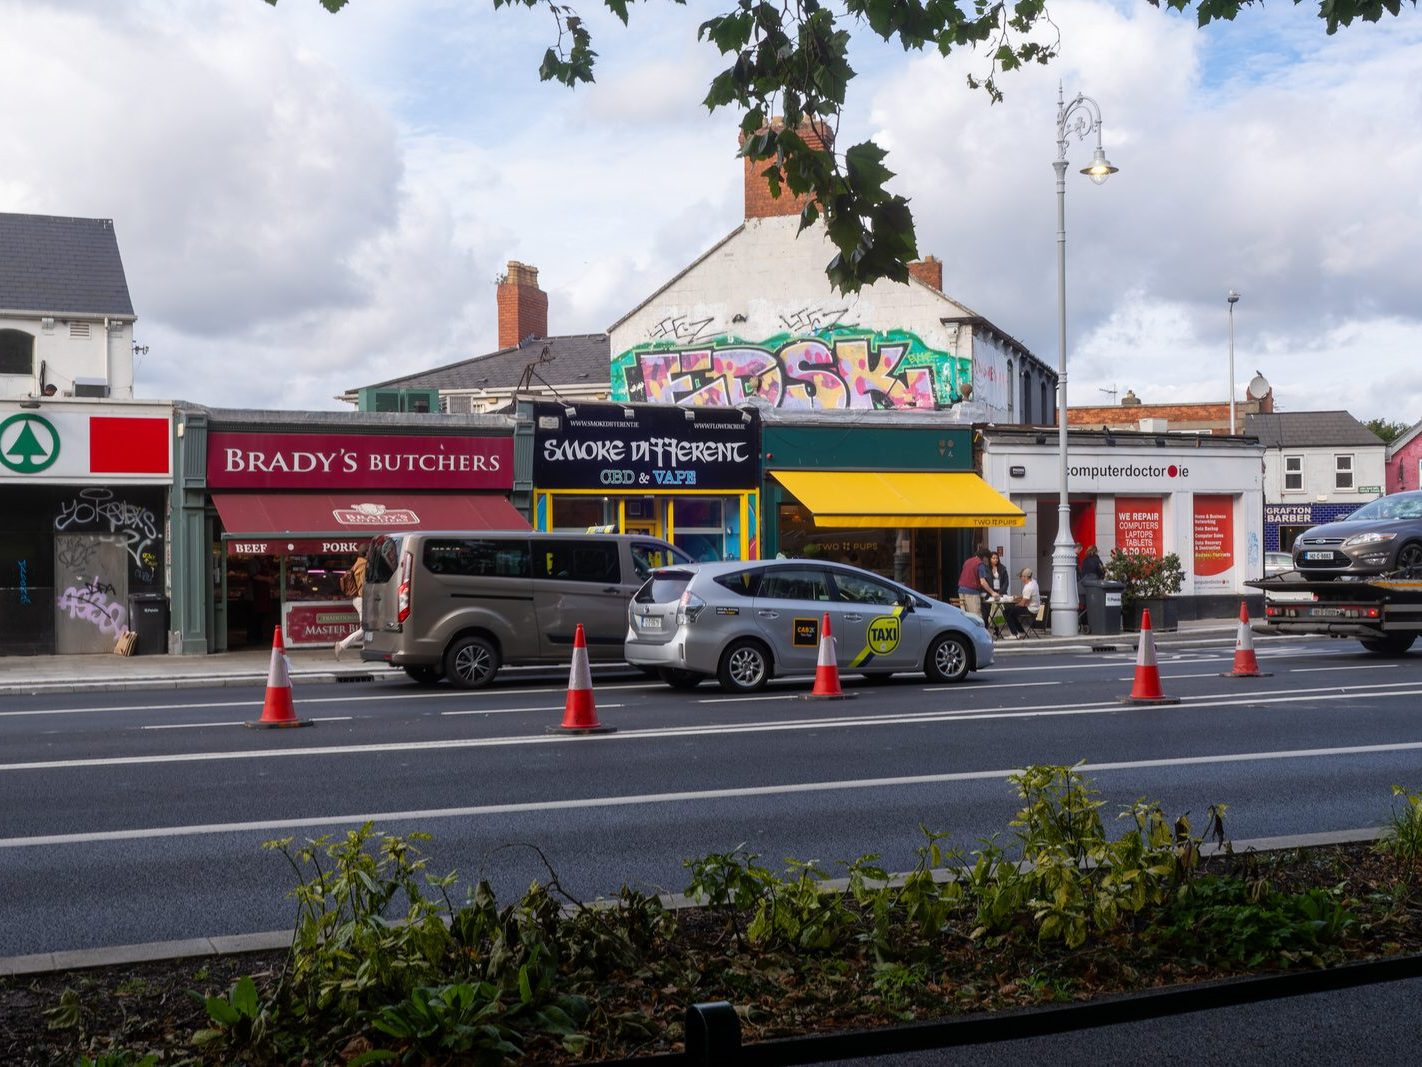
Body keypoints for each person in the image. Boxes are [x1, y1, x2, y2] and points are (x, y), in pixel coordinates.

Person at [334, 555, 368, 661]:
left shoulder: (356, 564)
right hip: (362, 599)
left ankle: (366, 651)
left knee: (369, 627)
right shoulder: (363, 565)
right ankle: (341, 645)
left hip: (358, 599)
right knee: (365, 628)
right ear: (366, 553)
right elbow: (363, 585)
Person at [1002, 567, 1043, 639]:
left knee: (1006, 612)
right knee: (1012, 612)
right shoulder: (1033, 582)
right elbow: (1025, 597)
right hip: (1034, 607)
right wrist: (1016, 598)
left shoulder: (1029, 587)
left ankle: (1014, 634)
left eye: (1021, 577)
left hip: (1031, 609)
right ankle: (1021, 632)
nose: (1020, 578)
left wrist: (1012, 602)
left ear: (1025, 577)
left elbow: (1022, 604)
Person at [979, 550, 1010, 629]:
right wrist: (991, 592)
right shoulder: (985, 568)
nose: (995, 559)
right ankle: (985, 628)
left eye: (997, 558)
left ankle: (997, 629)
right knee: (986, 612)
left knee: (1000, 611)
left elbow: (1006, 582)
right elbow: (984, 581)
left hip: (1000, 593)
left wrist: (1000, 592)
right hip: (989, 593)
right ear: (990, 559)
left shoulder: (1002, 568)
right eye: (993, 558)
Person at [956, 547, 988, 619]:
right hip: (971, 592)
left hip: (961, 590)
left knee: (965, 616)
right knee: (976, 617)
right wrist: (992, 592)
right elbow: (983, 582)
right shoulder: (980, 564)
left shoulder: (967, 561)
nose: (987, 561)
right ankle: (978, 630)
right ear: (984, 557)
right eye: (987, 558)